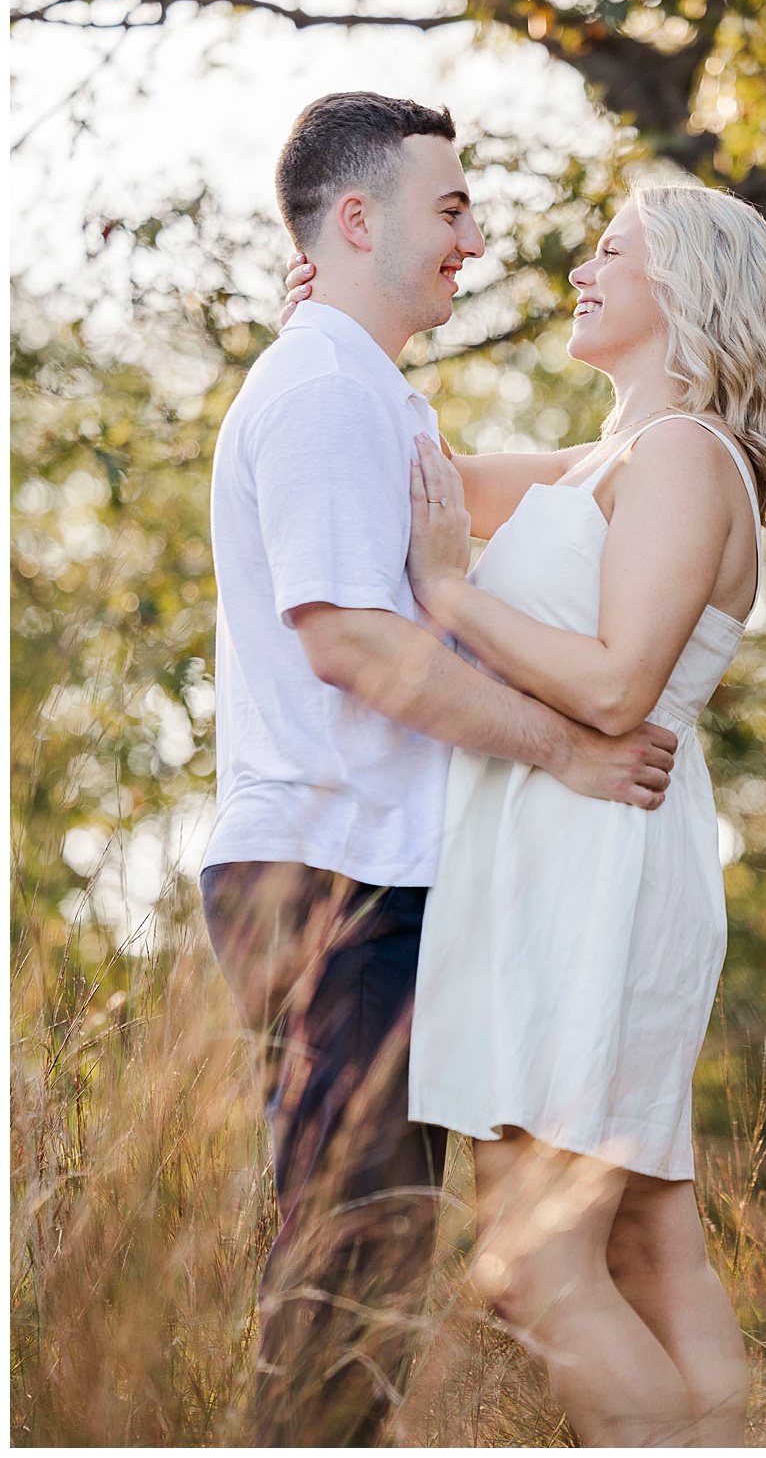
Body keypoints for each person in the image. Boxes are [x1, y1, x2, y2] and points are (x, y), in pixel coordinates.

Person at [283, 181, 766, 1444]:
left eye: (610, 252)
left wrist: (448, 595)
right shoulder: (596, 463)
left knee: (533, 1262)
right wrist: (334, 326)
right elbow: (418, 466)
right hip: (568, 855)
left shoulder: (687, 456)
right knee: (643, 1233)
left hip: (596, 862)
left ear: (683, 288)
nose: (579, 269)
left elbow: (615, 684)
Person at [201, 91, 679, 1445]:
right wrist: (569, 753)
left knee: (375, 1267)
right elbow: (352, 639)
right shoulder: (322, 389)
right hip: (333, 880)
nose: (474, 237)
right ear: (358, 220)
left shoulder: (361, 384)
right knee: (348, 1278)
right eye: (451, 207)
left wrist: (686, 410)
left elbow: (535, 483)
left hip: (379, 881)